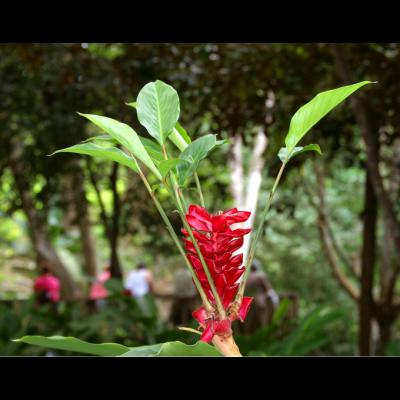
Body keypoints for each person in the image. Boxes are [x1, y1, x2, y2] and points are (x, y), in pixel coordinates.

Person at [240, 260, 279, 334]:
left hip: (246, 302)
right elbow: (267, 288)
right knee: (263, 320)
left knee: (248, 322)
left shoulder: (246, 276)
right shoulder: (260, 275)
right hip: (259, 301)